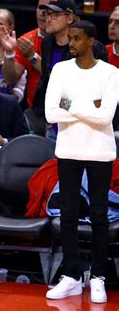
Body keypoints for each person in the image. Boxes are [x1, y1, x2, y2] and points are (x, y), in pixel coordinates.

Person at [45, 20, 118, 304]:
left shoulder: (111, 73)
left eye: (76, 39)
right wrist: (91, 104)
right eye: (70, 38)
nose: (71, 43)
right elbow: (51, 113)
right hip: (68, 150)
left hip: (99, 152)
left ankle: (98, 276)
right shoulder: (61, 70)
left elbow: (105, 117)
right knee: (68, 214)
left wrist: (70, 104)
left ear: (90, 41)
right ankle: (72, 276)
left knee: (99, 216)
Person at [32, 0, 109, 136]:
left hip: (84, 126)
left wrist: (63, 105)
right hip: (53, 125)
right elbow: (47, 81)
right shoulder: (47, 43)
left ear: (69, 18)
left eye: (54, 15)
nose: (47, 19)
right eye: (47, 14)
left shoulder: (92, 48)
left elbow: (99, 95)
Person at [0, 0, 53, 108]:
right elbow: (10, 79)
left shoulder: (73, 40)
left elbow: (59, 80)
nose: (42, 13)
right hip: (35, 111)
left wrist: (32, 57)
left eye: (49, 9)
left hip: (65, 109)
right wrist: (9, 54)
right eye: (40, 8)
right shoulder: (28, 40)